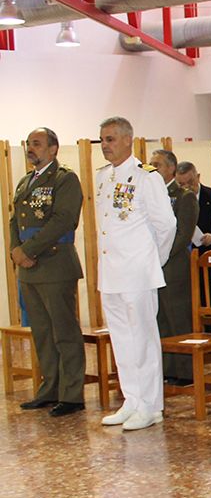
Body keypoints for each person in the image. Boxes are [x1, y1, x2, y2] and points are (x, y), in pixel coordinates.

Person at [93, 116, 175, 431]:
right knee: (122, 340)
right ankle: (132, 401)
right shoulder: (102, 177)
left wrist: (155, 259)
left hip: (138, 272)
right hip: (111, 272)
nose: (105, 145)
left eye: (111, 139)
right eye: (102, 140)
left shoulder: (146, 176)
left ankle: (151, 407)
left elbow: (166, 225)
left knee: (143, 339)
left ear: (129, 139)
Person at [8, 127, 86, 417]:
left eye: (37, 144)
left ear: (53, 149)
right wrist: (17, 250)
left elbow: (64, 220)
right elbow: (15, 219)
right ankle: (49, 388)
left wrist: (28, 250)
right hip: (29, 269)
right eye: (29, 144)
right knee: (42, 332)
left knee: (64, 331)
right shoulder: (26, 181)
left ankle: (72, 393)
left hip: (55, 264)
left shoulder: (65, 179)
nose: (31, 148)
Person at [148, 149, 198, 387]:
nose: (152, 168)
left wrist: (161, 254)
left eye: (157, 165)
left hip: (173, 265)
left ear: (171, 169)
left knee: (179, 319)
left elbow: (183, 233)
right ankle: (167, 369)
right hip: (151, 266)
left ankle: (186, 372)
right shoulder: (149, 194)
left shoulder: (183, 196)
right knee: (160, 320)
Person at [176, 162, 211, 252]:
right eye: (181, 184)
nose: (187, 187)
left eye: (190, 182)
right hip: (182, 255)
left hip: (207, 254)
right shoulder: (174, 199)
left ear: (198, 177)